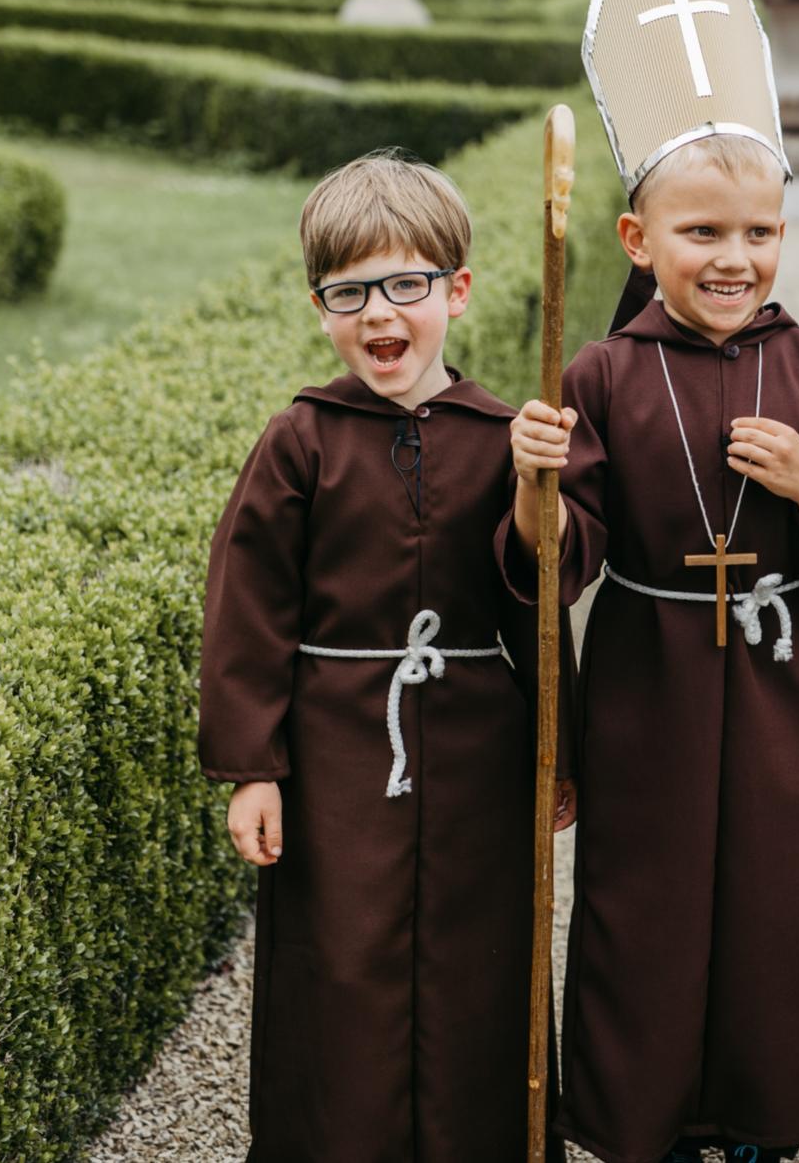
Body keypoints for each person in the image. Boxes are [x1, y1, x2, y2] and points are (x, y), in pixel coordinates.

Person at [505, 0, 799, 1163]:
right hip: (654, 680)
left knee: (785, 905)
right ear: (638, 238)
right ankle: (647, 1124)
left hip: (789, 674)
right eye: (699, 234)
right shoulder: (603, 375)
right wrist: (532, 486)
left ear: (785, 235)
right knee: (646, 907)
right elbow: (553, 549)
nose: (731, 259)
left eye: (757, 233)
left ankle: (759, 1118)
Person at [198, 150, 571, 1162]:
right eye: (348, 292)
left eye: (406, 285)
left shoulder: (504, 436)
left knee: (478, 960)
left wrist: (542, 492)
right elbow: (249, 610)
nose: (379, 316)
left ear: (456, 289)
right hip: (337, 751)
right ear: (317, 303)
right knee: (344, 963)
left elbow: (538, 598)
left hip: (477, 751)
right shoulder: (302, 442)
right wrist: (253, 769)